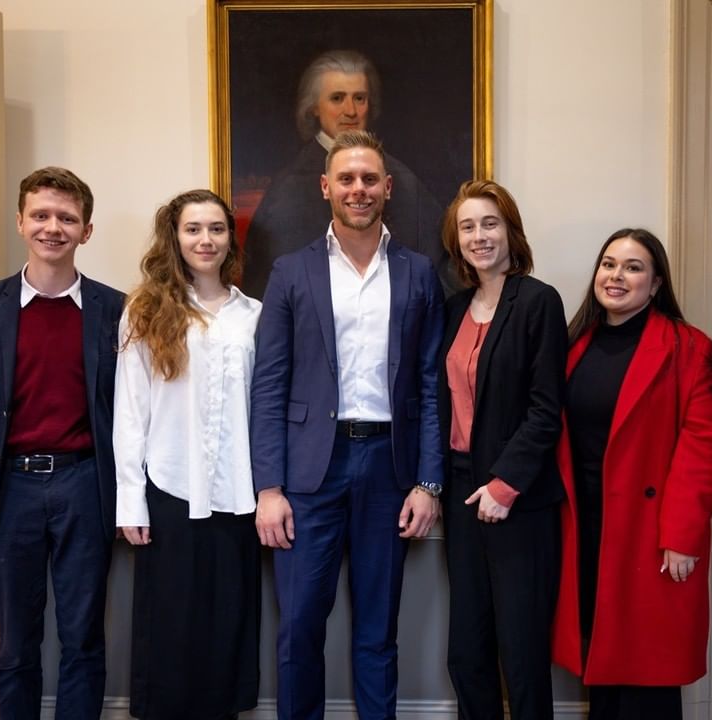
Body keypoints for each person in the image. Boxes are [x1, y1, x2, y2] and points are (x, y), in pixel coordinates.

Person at [250, 130, 445, 720]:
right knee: (300, 626)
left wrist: (428, 483)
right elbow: (269, 386)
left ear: (387, 188)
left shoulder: (418, 273)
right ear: (325, 186)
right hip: (310, 474)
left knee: (377, 626)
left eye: (368, 179)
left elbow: (432, 387)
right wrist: (269, 488)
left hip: (389, 469)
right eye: (347, 179)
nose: (358, 189)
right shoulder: (290, 271)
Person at [0, 167, 124, 719]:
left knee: (83, 640)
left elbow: (131, 412)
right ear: (20, 221)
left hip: (85, 486)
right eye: (41, 215)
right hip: (7, 490)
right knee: (17, 646)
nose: (53, 227)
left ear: (86, 231)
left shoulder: (114, 309)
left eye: (66, 218)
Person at [552, 228, 712, 720]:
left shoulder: (689, 348)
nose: (616, 276)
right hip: (584, 524)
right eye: (608, 264)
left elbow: (703, 447)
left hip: (650, 530)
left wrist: (682, 536)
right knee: (599, 657)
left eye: (632, 267)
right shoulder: (572, 345)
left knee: (647, 668)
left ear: (655, 285)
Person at [113, 189, 261, 720]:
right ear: (175, 238)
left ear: (230, 238)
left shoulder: (254, 315)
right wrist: (131, 503)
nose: (206, 239)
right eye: (194, 229)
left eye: (217, 229)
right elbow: (130, 413)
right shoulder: (145, 311)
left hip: (238, 497)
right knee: (170, 629)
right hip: (170, 492)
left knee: (228, 626)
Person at [438, 180, 567, 720]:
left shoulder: (538, 301)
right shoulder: (454, 308)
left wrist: (505, 483)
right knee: (468, 649)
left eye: (489, 223)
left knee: (521, 648)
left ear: (510, 231)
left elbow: (546, 408)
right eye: (468, 226)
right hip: (461, 489)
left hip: (518, 500)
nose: (479, 236)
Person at [241, 49, 448, 298]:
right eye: (337, 98)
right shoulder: (288, 188)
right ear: (314, 107)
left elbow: (437, 266)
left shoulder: (403, 178)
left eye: (359, 98)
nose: (350, 111)